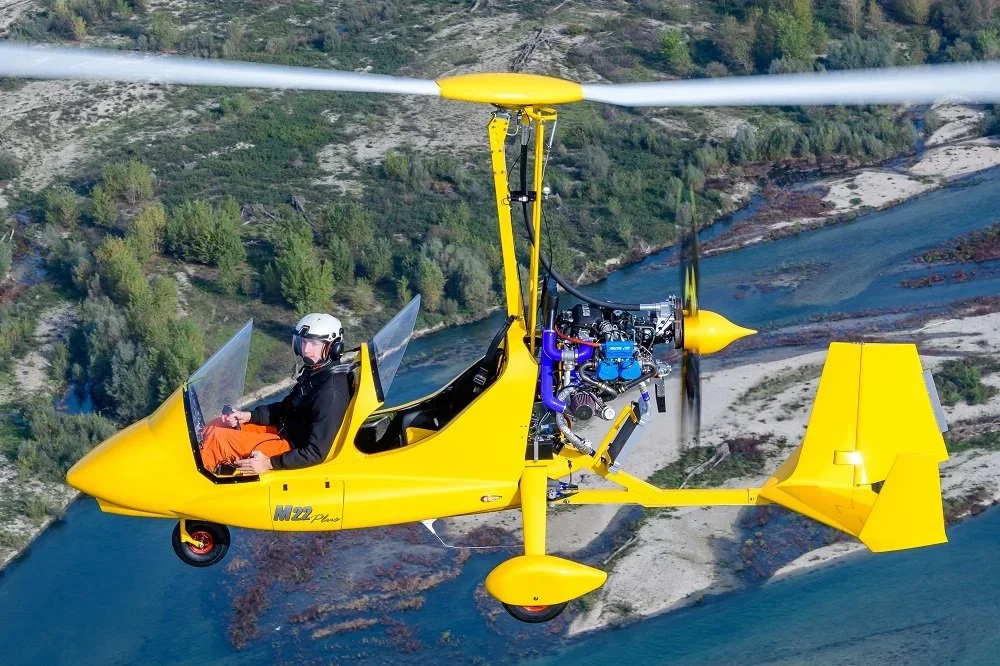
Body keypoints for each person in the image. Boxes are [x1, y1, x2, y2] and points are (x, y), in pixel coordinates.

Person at [199, 313, 352, 475]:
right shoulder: (316, 372)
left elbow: (316, 452)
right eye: (304, 342)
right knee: (217, 424)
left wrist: (268, 463)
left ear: (333, 348)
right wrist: (249, 416)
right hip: (280, 430)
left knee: (217, 440)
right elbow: (284, 407)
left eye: (314, 344)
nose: (306, 350)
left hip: (288, 447)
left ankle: (188, 488)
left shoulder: (331, 393)